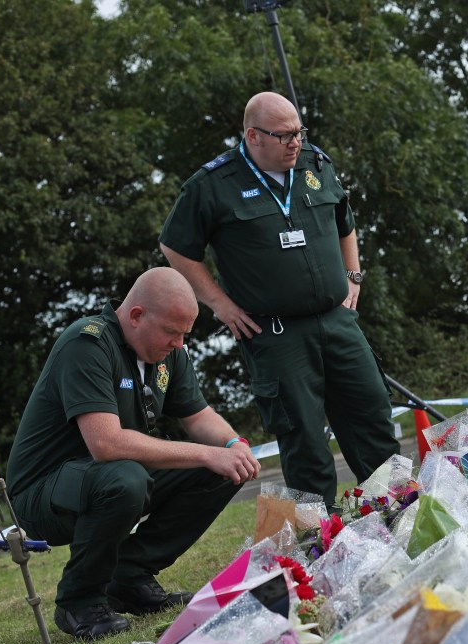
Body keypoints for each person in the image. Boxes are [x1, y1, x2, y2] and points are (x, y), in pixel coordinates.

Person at [159, 91, 400, 511]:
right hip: (277, 334)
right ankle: (319, 543)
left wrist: (353, 275)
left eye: (299, 132)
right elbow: (176, 246)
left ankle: (400, 512)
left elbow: (346, 221)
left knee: (373, 418)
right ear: (253, 136)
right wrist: (220, 304)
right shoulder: (213, 184)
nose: (296, 142)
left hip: (337, 320)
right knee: (304, 441)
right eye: (285, 135)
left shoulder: (315, 164)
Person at [6, 268, 261, 641]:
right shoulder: (88, 343)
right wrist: (206, 454)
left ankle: (129, 576)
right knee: (126, 478)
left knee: (223, 468)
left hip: (106, 476)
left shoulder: (168, 353)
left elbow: (199, 416)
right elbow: (105, 444)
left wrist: (232, 446)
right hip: (43, 491)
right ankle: (79, 601)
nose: (179, 343)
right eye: (172, 332)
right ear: (137, 315)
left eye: (184, 334)